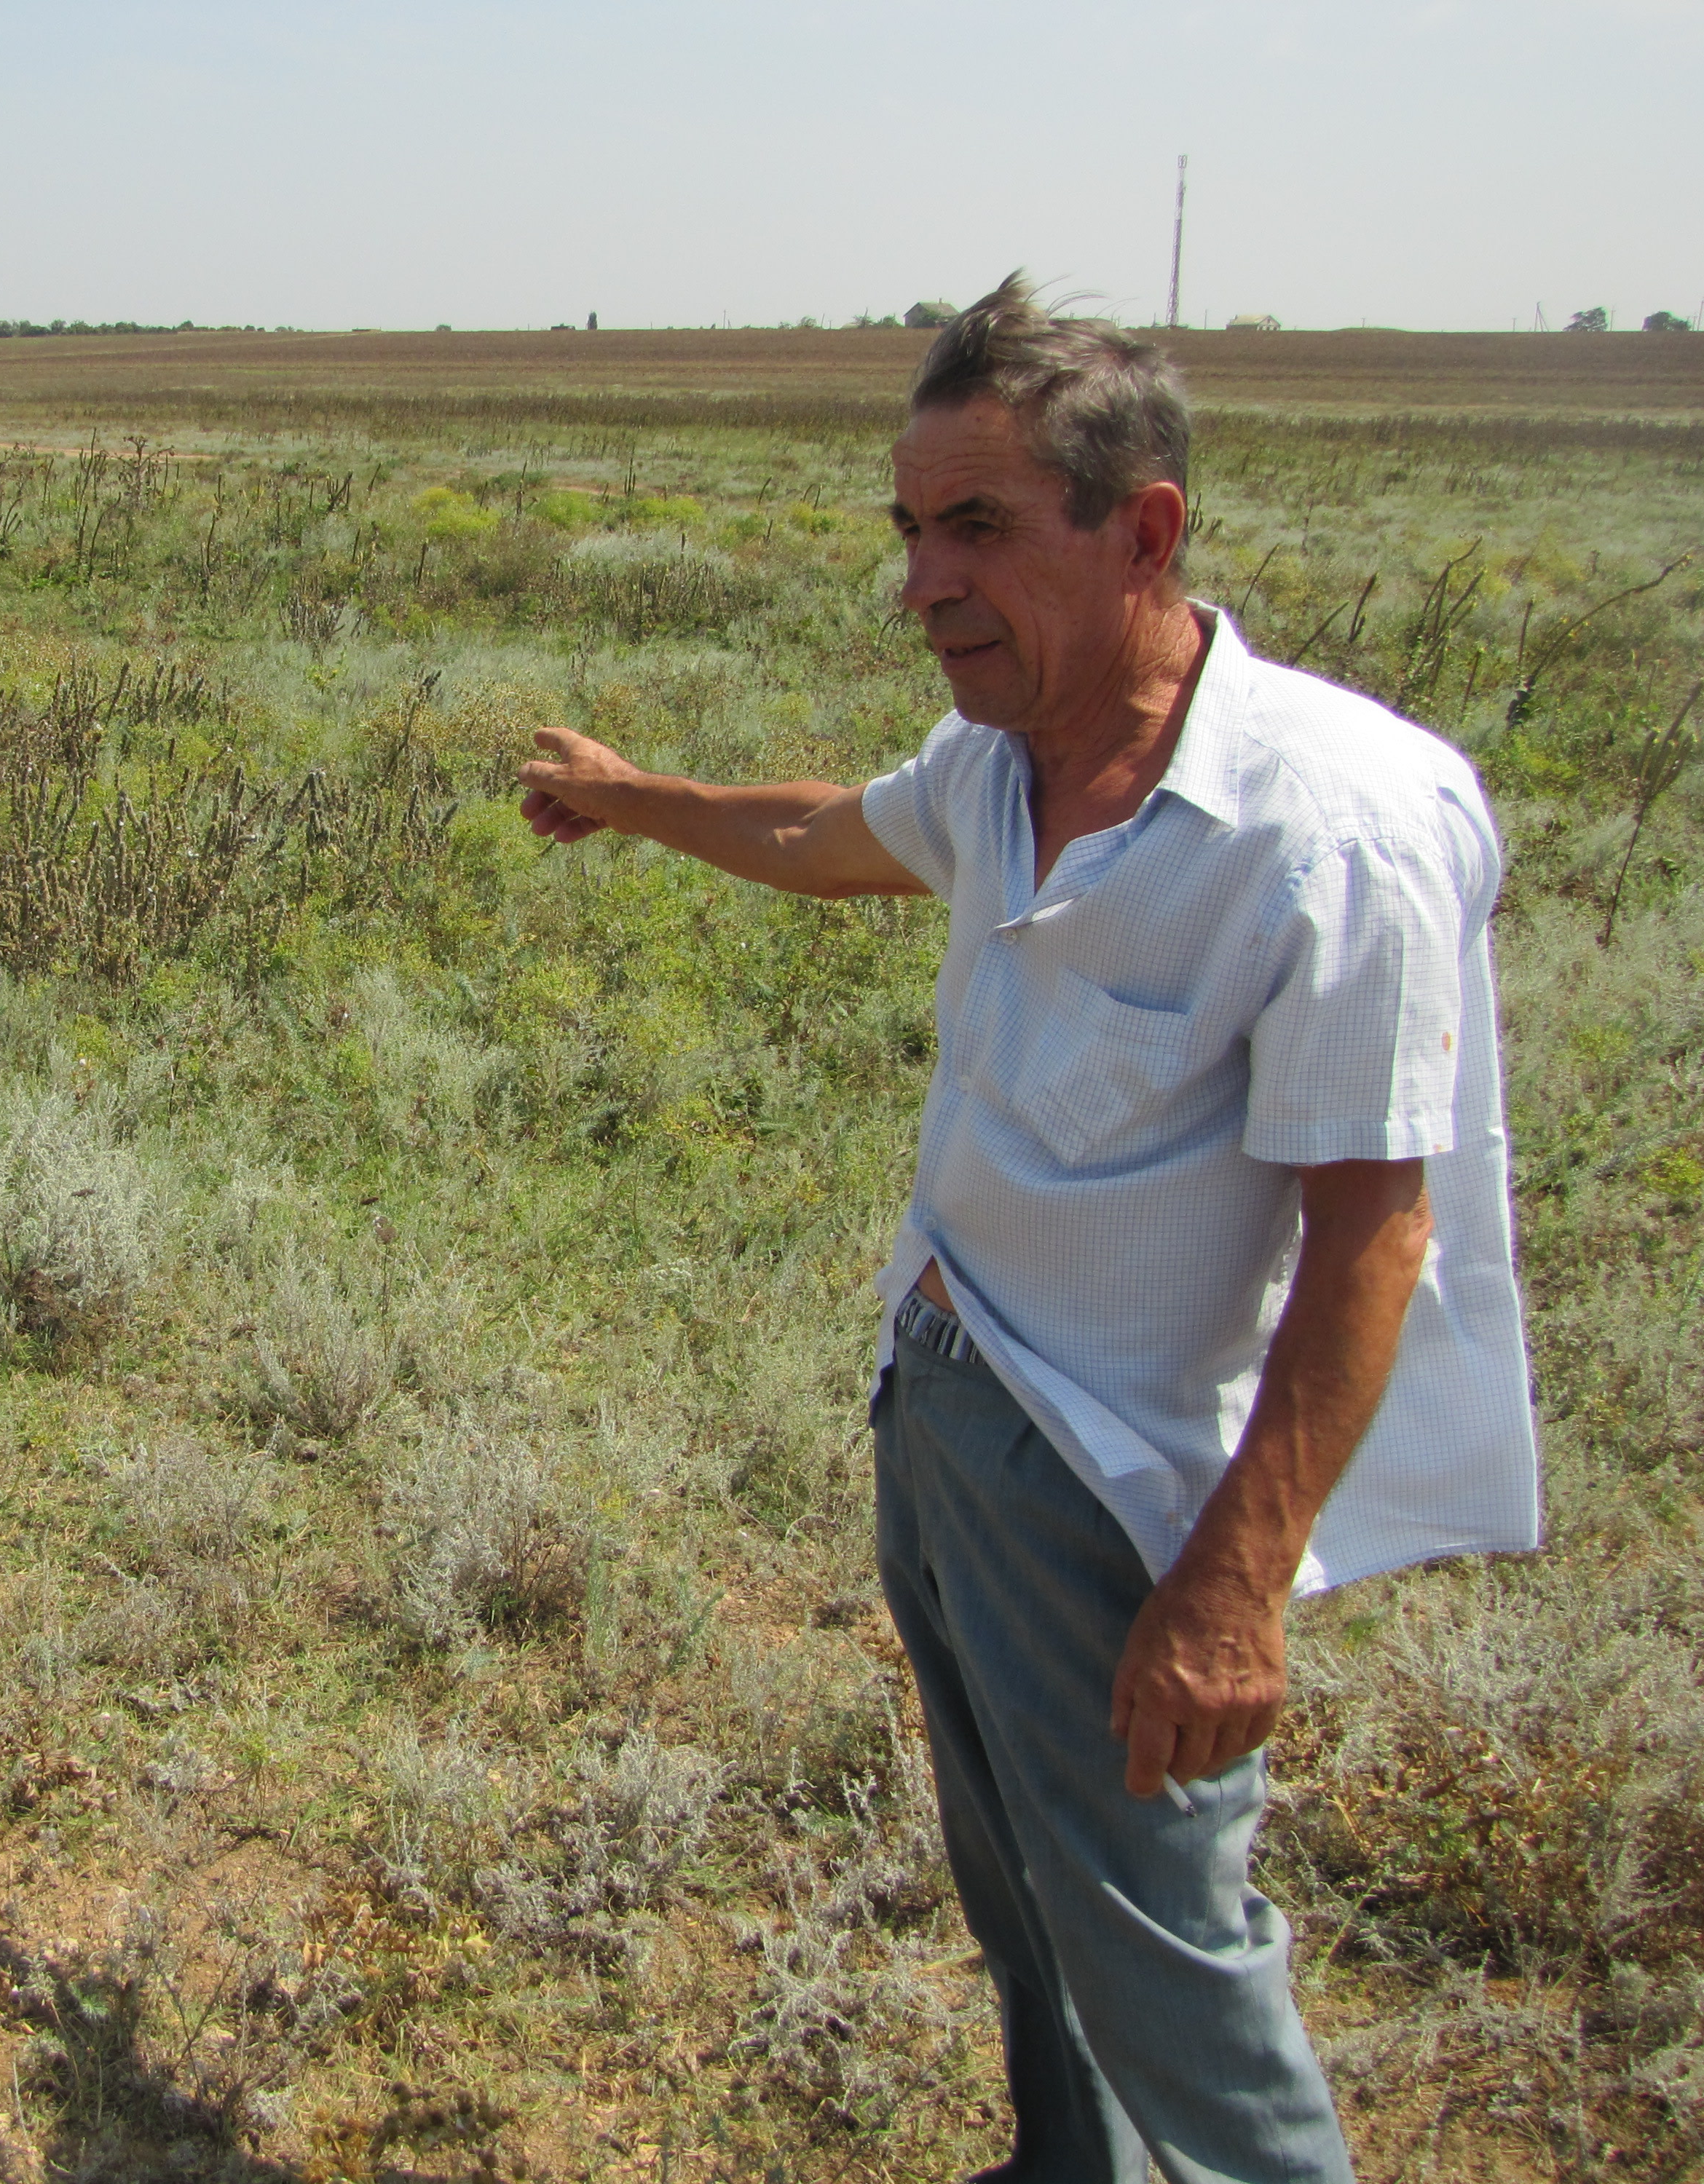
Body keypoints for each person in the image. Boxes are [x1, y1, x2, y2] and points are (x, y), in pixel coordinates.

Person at [516, 275, 1541, 2182]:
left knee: (1173, 1960)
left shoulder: (1329, 831)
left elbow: (1371, 1233)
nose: (922, 584)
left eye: (975, 527)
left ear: (1140, 529)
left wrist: (1231, 1590)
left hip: (1125, 1487)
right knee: (1027, 1895)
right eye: (909, 532)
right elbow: (837, 835)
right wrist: (632, 802)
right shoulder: (1003, 758)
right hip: (951, 1394)